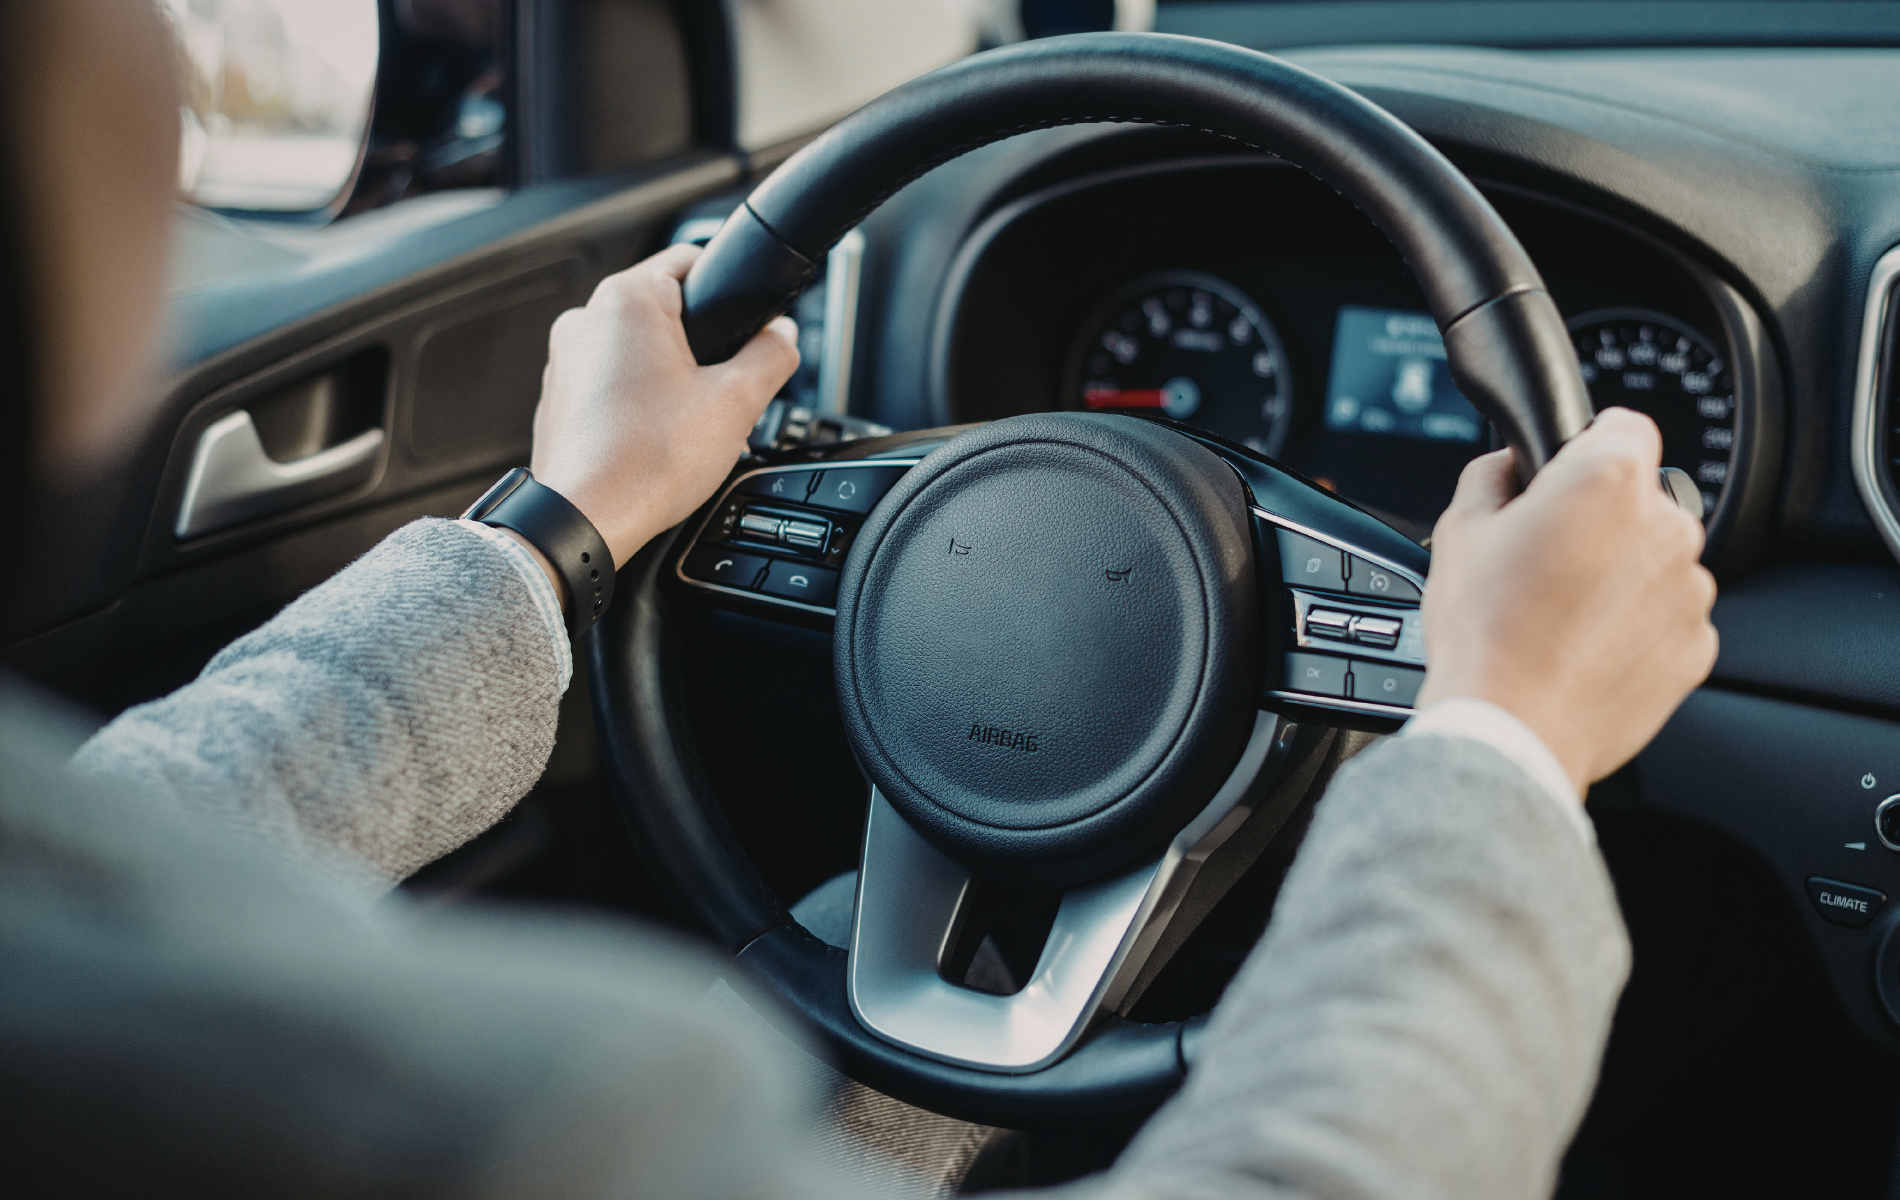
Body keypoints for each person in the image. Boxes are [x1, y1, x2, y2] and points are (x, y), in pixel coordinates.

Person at [0, 0, 1718, 1196]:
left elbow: (160, 818)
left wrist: (570, 521)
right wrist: (1497, 737)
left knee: (842, 952)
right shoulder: (517, 1128)